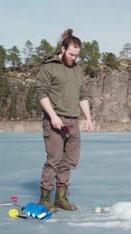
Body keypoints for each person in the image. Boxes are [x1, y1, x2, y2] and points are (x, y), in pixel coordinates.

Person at [35, 29, 92, 212]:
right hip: (54, 120)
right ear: (63, 49)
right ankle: (45, 199)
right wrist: (52, 116)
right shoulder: (49, 66)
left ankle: (61, 198)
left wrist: (88, 118)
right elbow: (41, 93)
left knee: (69, 161)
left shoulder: (77, 70)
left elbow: (82, 96)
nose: (73, 58)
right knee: (54, 160)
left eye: (76, 55)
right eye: (71, 54)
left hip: (73, 121)